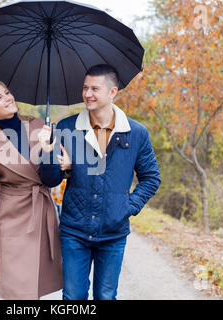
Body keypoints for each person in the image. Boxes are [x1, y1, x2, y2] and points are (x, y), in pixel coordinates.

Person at [38, 64, 161, 300]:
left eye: (95, 88)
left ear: (112, 92)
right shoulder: (65, 127)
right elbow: (49, 178)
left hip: (113, 233)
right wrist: (47, 152)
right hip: (74, 230)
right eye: (85, 88)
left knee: (106, 296)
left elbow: (151, 178)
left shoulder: (135, 133)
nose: (87, 94)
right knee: (73, 297)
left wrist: (128, 206)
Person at [0, 81, 63, 300]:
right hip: (11, 227)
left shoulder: (39, 125)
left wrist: (49, 151)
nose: (8, 98)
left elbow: (53, 178)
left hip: (42, 218)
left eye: (7, 93)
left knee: (34, 291)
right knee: (18, 294)